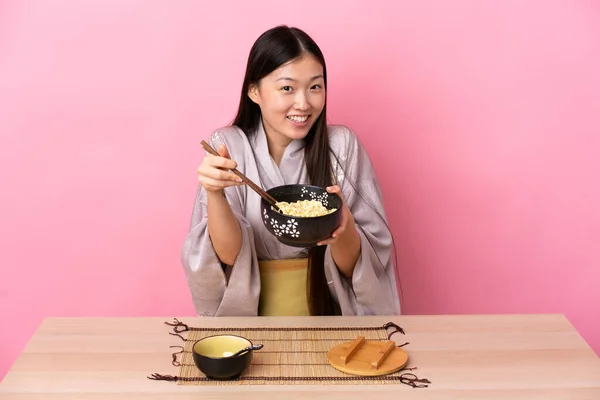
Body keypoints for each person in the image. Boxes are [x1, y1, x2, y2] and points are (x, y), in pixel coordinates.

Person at [180, 25, 400, 317]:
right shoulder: (228, 145)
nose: (303, 103)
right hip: (252, 318)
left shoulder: (342, 146)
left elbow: (360, 268)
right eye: (287, 88)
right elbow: (228, 257)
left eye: (315, 87)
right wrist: (215, 193)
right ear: (254, 91)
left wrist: (343, 230)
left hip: (329, 317)